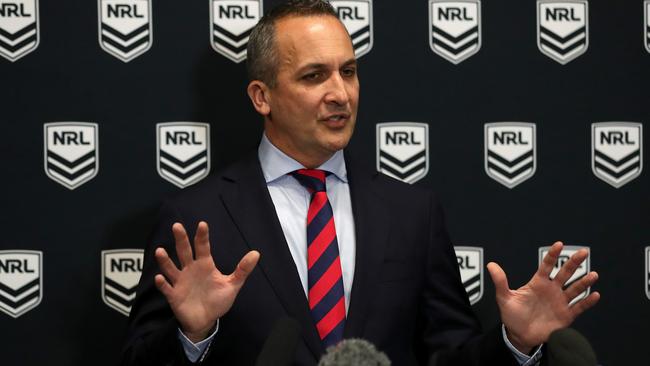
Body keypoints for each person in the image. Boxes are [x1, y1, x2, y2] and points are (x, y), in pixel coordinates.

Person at [121, 1, 600, 365]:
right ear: (262, 96)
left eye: (348, 72)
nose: (340, 94)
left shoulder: (414, 213)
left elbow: (448, 355)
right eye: (314, 76)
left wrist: (513, 343)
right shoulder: (195, 218)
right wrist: (192, 336)